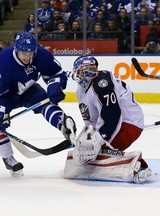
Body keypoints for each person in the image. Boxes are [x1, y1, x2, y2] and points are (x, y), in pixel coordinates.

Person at [0, 32, 77, 176]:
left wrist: (55, 85)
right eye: (24, 53)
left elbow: (56, 72)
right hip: (6, 95)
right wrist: (3, 113)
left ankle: (63, 125)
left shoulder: (40, 54)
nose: (28, 57)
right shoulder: (5, 60)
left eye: (31, 53)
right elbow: (0, 94)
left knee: (45, 102)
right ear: (16, 49)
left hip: (29, 89)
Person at [64, 53, 152, 183]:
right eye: (82, 71)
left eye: (90, 70)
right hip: (115, 122)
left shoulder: (101, 83)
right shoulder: (80, 91)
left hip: (128, 122)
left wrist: (99, 141)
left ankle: (138, 165)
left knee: (97, 153)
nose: (86, 74)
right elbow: (91, 121)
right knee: (85, 153)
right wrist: (87, 138)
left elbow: (112, 115)